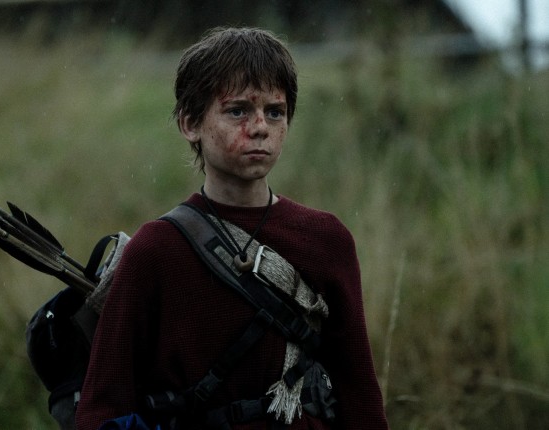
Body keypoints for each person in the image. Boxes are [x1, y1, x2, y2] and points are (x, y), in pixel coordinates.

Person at [75, 27, 388, 429]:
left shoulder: (325, 240)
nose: (259, 127)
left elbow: (359, 396)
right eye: (237, 111)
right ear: (191, 124)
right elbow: (104, 407)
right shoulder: (155, 250)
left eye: (274, 112)